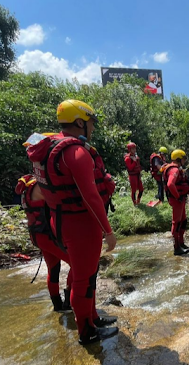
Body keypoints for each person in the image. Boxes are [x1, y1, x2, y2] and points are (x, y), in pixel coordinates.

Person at [26, 99, 118, 345]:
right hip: (80, 225)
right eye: (91, 123)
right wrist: (107, 231)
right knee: (83, 278)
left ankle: (93, 317)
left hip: (60, 220)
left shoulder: (48, 147)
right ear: (80, 122)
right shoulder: (76, 153)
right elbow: (90, 197)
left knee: (87, 274)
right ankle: (86, 332)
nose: (93, 128)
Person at [15, 174, 73, 311]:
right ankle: (68, 301)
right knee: (76, 264)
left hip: (37, 235)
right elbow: (59, 201)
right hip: (46, 235)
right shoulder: (39, 187)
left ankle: (57, 306)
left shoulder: (28, 186)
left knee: (53, 268)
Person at [162, 149, 189, 256]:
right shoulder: (174, 170)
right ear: (179, 159)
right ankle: (177, 248)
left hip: (180, 199)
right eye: (183, 159)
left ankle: (181, 243)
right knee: (177, 222)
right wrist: (178, 196)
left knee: (183, 220)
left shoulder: (176, 169)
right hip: (177, 199)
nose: (184, 161)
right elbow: (170, 184)